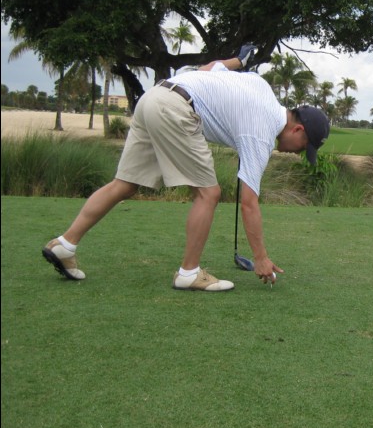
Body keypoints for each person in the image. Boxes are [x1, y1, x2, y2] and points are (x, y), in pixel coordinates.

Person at [42, 45, 330, 292]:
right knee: (209, 193)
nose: (298, 153)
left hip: (153, 99)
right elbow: (249, 203)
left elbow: (209, 68)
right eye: (304, 147)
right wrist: (261, 257)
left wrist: (238, 61)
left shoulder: (260, 85)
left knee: (125, 183)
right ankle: (188, 273)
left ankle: (65, 244)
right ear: (298, 129)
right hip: (177, 110)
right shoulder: (263, 131)